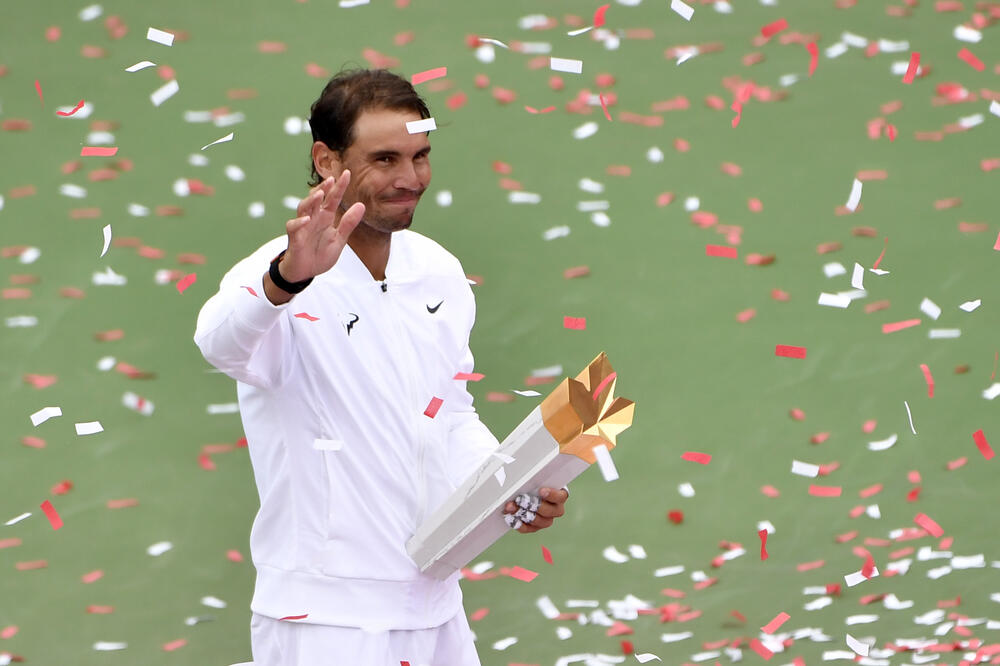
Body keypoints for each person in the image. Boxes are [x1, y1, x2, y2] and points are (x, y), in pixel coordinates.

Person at [194, 68, 570, 665]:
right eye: (385, 159)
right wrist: (286, 280)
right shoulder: (278, 275)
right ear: (326, 160)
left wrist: (508, 489)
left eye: (420, 156)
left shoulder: (439, 271)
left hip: (436, 608)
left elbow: (449, 414)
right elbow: (219, 344)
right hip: (326, 625)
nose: (410, 179)